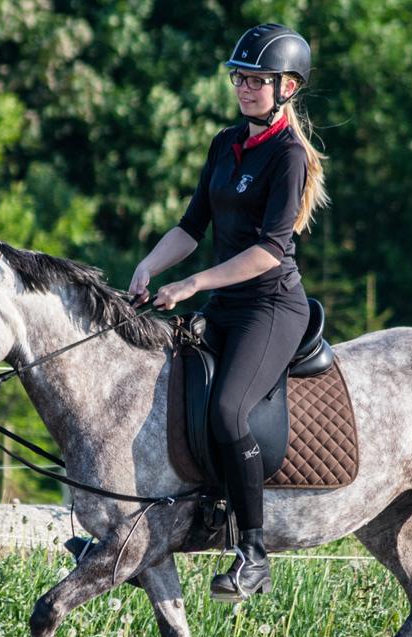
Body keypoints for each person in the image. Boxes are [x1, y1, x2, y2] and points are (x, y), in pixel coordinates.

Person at [129, 23, 329, 601]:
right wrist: (149, 267)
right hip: (223, 302)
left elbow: (269, 252)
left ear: (288, 86)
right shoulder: (224, 144)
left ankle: (253, 554)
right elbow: (193, 227)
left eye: (257, 80)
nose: (245, 87)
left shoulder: (288, 156)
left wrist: (190, 285)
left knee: (226, 411)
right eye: (240, 78)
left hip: (269, 308)